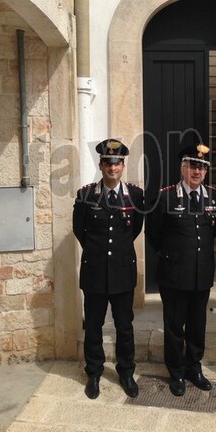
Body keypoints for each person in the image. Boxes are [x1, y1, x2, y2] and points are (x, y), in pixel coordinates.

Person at [146, 144, 216, 397]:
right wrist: (174, 256)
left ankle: (194, 368)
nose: (197, 171)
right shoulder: (166, 196)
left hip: (201, 275)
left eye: (202, 166)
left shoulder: (213, 197)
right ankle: (176, 372)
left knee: (198, 325)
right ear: (182, 168)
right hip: (174, 275)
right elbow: (154, 234)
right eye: (192, 165)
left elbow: (213, 231)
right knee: (174, 326)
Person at [73, 139, 144, 400]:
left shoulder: (135, 196)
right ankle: (93, 372)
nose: (112, 167)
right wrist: (99, 253)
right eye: (108, 162)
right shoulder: (85, 195)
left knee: (125, 326)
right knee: (93, 325)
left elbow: (135, 229)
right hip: (94, 273)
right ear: (101, 165)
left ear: (123, 165)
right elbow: (79, 230)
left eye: (117, 163)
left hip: (123, 273)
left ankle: (126, 372)